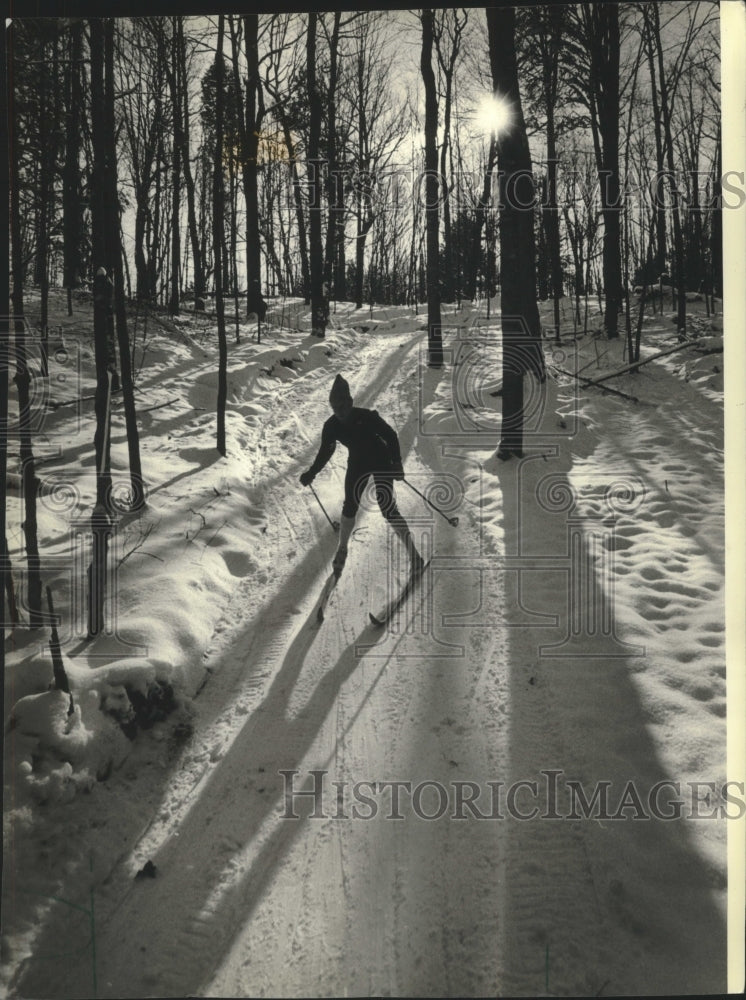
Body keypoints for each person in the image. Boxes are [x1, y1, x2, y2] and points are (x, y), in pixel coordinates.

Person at [300, 374, 424, 577]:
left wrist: (396, 463)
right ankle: (342, 550)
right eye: (335, 407)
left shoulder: (366, 417)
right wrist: (312, 472)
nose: (339, 412)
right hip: (357, 463)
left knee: (387, 507)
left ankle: (414, 555)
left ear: (349, 402)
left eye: (342, 406)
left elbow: (390, 436)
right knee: (350, 505)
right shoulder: (331, 426)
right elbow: (326, 451)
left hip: (381, 461)